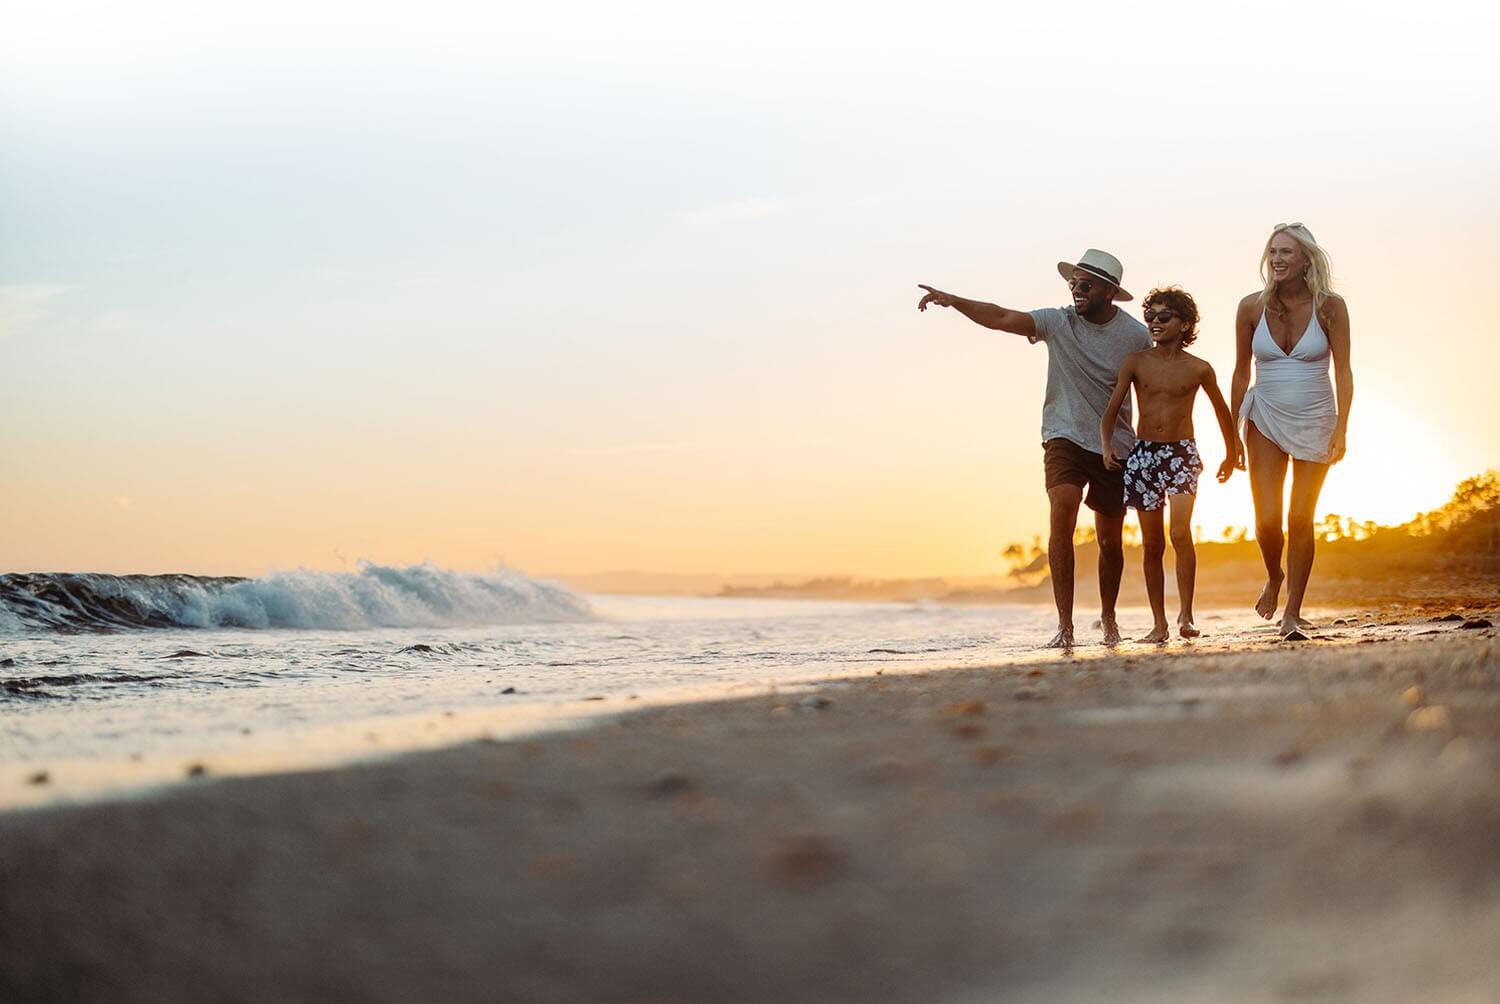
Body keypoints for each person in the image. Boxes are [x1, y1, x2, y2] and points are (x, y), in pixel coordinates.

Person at [918, 249, 1151, 649]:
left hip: (1114, 445)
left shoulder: (1134, 336)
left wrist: (1145, 447)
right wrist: (955, 301)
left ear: (1109, 291)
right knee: (1061, 513)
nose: (1076, 289)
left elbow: (1151, 389)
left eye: (1086, 284)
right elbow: (1003, 317)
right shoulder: (1057, 322)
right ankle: (1065, 627)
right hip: (1063, 435)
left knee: (1110, 541)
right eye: (1073, 282)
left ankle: (1109, 618)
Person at [1229, 223, 1353, 640]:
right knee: (1267, 521)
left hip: (1317, 416)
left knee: (1301, 516)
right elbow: (1241, 372)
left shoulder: (1330, 307)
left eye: (1286, 253)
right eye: (1273, 252)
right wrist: (1232, 435)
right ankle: (1273, 575)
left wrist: (1342, 428)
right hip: (1264, 414)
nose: (1277, 260)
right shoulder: (1250, 307)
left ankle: (1292, 613)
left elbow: (1344, 371)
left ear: (1306, 260)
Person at [1099, 287, 1238, 643]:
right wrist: (1106, 447)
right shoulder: (1135, 362)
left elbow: (1222, 412)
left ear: (1184, 323)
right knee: (1151, 544)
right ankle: (1158, 624)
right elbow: (1111, 411)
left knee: (1179, 533)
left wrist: (1231, 452)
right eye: (1151, 317)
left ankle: (1186, 615)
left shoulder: (1199, 369)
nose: (1155, 323)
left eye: (1164, 317)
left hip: (1181, 454)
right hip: (1143, 455)